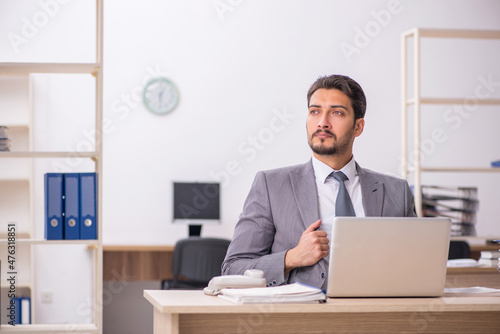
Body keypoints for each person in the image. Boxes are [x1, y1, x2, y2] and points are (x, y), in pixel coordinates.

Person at [222, 74, 416, 289]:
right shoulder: (271, 185)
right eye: (315, 111)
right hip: (304, 317)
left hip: (376, 313)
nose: (322, 122)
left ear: (358, 127)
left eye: (337, 113)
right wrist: (291, 258)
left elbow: (417, 266)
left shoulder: (397, 191)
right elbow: (233, 268)